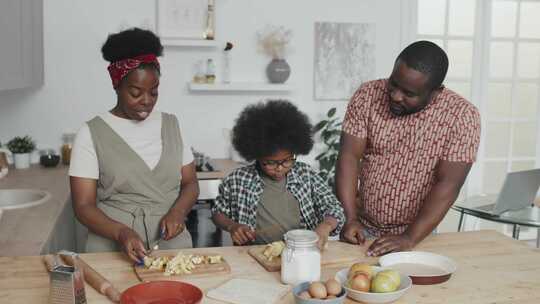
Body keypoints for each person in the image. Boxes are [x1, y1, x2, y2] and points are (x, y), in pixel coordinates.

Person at [336, 41, 480, 256]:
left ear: (435, 92)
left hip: (417, 234)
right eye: (393, 84)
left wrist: (409, 238)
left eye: (409, 93)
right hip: (360, 227)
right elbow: (349, 156)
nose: (395, 96)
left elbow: (449, 183)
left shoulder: (463, 117)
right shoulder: (367, 94)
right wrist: (350, 217)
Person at [69, 28, 198, 263]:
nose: (146, 101)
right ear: (117, 85)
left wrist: (178, 212)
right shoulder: (91, 133)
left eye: (154, 92)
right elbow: (83, 206)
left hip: (171, 249)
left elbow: (190, 184)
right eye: (136, 92)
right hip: (110, 249)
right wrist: (121, 232)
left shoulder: (172, 125)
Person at [211, 100, 345, 249]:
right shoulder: (238, 180)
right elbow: (218, 212)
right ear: (256, 155)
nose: (279, 168)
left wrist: (326, 225)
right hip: (254, 255)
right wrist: (232, 226)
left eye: (287, 160)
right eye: (270, 163)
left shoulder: (306, 175)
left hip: (301, 251)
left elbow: (334, 207)